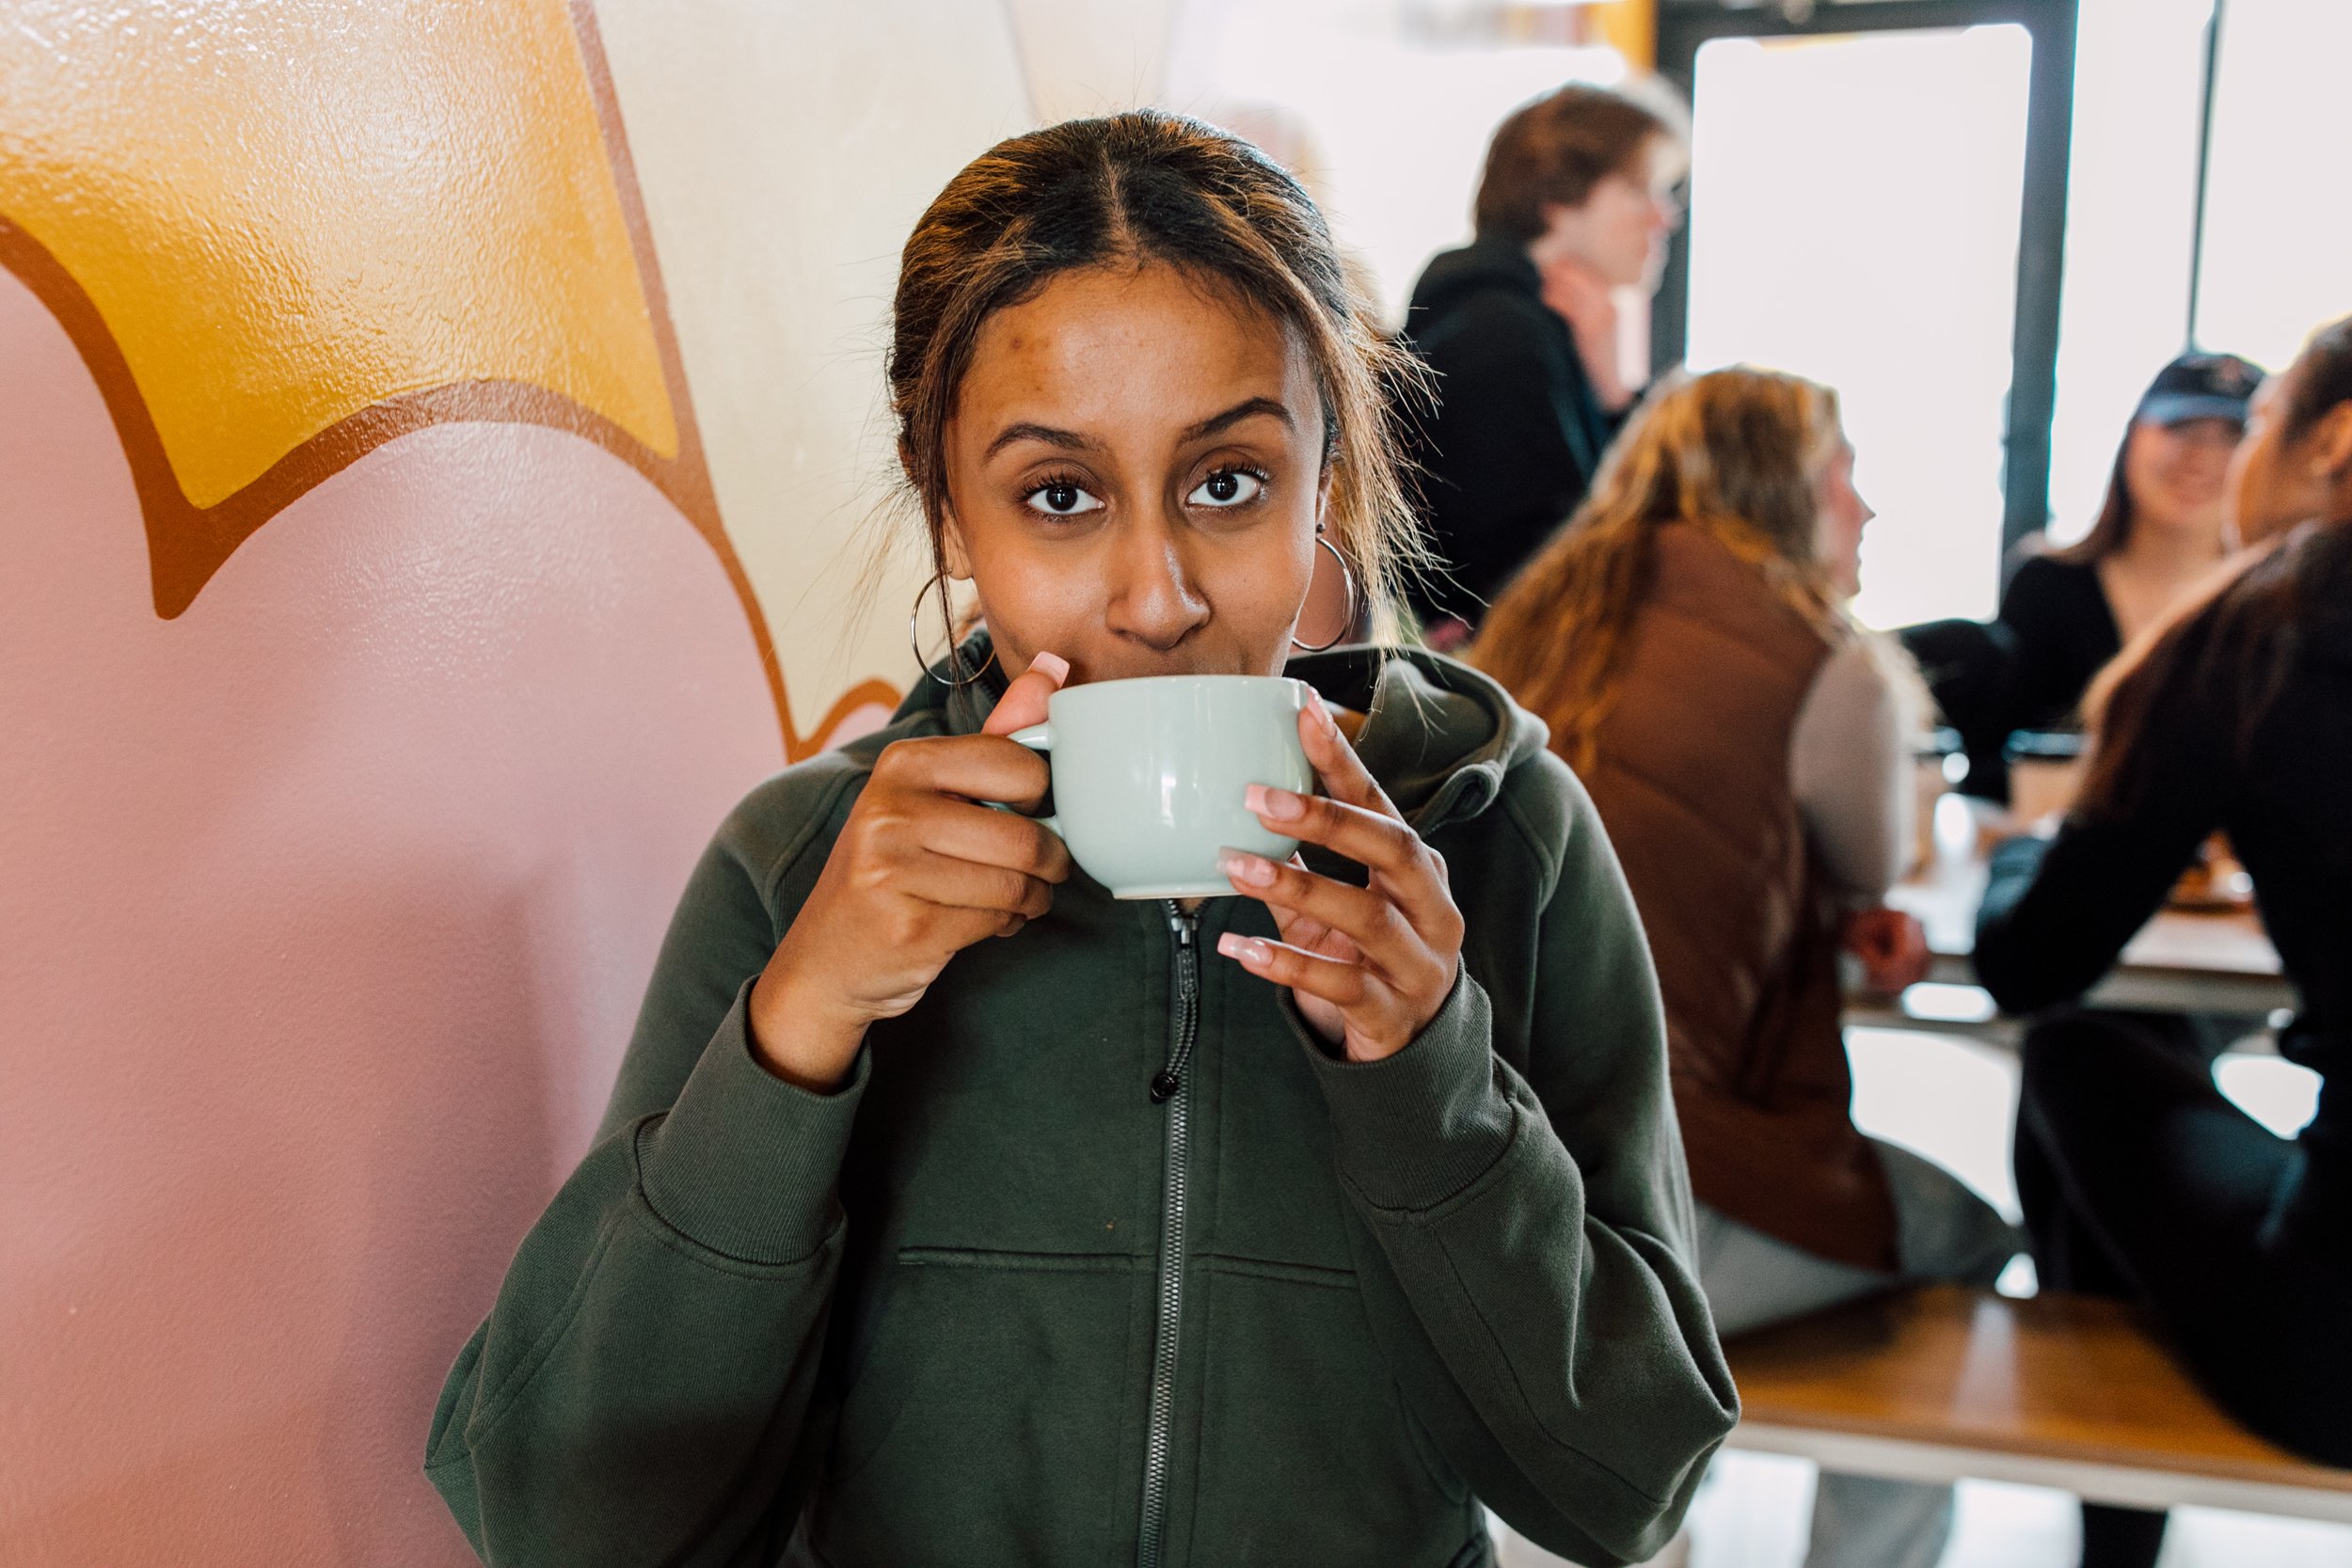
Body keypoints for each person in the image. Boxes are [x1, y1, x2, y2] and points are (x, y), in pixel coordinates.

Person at [421, 112, 1737, 1568]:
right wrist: (798, 1029)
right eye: (1059, 495)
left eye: (1229, 481)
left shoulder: (1503, 840)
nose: (1156, 594)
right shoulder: (805, 867)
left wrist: (1431, 1072)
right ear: (951, 516)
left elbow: (1630, 1482)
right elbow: (567, 1519)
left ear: (1328, 484)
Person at [1473, 369, 2018, 1568]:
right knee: (1967, 1236)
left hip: (1488, 1170)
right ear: (1786, 489)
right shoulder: (1823, 659)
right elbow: (1877, 853)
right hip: (1666, 1193)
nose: (1865, 510)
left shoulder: (1540, 620)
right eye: (1845, 474)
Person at [1977, 317, 2352, 1568]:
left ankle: (2114, 1542)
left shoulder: (2258, 633)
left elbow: (2033, 964)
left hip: (2335, 1353)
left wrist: (2025, 847)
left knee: (2083, 1049)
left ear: (2333, 438)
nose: (2230, 457)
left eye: (2260, 418)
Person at [1402, 82, 1688, 641]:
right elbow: (1548, 583)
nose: (1665, 217)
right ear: (1557, 202)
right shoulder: (1498, 335)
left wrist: (1609, 389)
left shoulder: (1526, 324)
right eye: (1641, 188)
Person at [1907, 352, 2261, 799]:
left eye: (2233, 437)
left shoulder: (2273, 608)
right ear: (2132, 436)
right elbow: (1986, 767)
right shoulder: (2048, 586)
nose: (2203, 456)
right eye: (2181, 428)